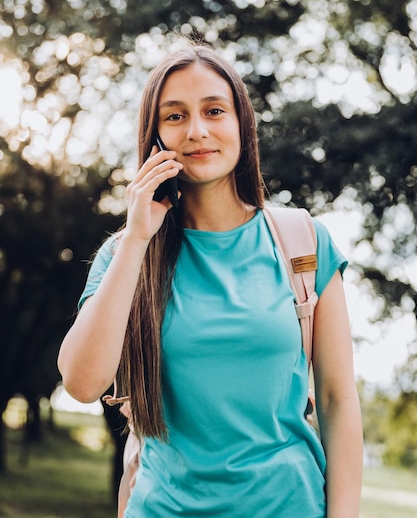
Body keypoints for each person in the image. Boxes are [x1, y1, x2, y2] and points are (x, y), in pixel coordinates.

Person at [58, 42, 363, 518]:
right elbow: (80, 383)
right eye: (174, 116)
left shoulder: (304, 242)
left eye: (214, 110)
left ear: (242, 123)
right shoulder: (125, 255)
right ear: (155, 135)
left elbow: (337, 399)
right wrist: (138, 237)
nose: (197, 131)